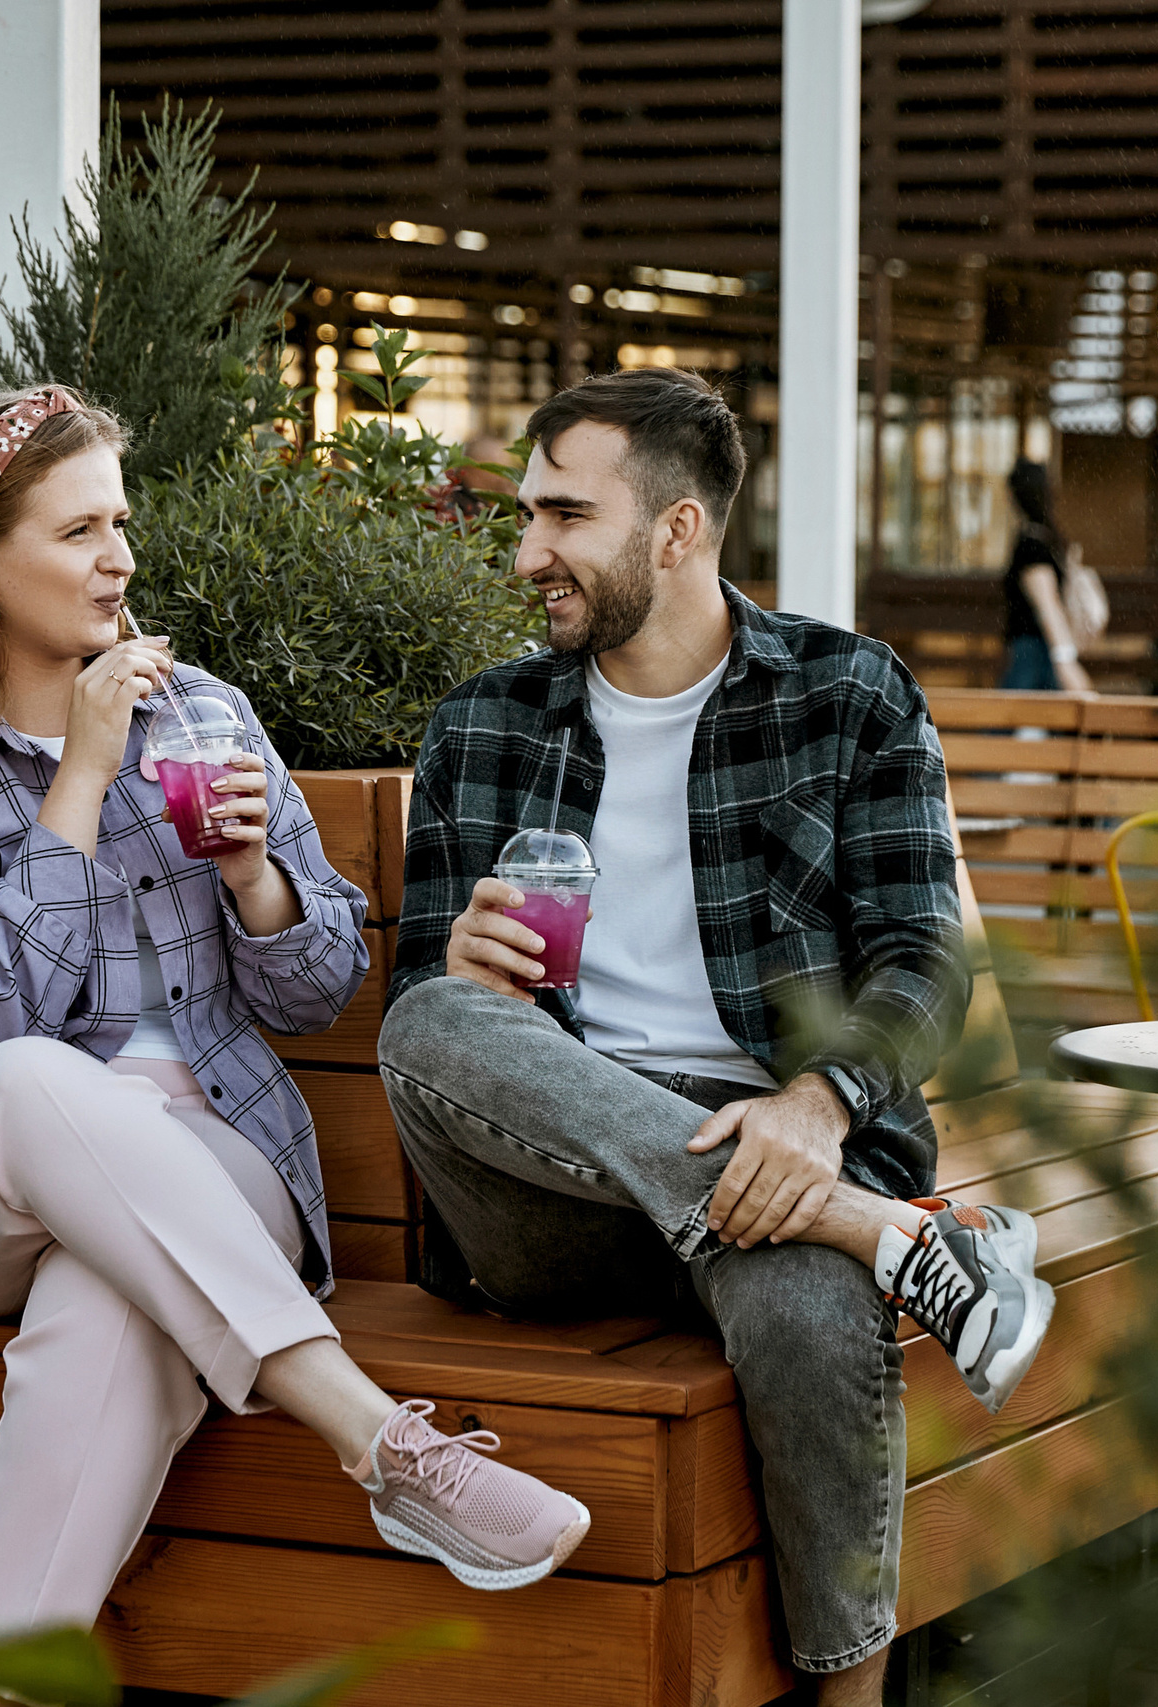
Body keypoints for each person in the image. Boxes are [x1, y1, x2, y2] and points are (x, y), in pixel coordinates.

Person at [0, 386, 592, 1666]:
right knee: (31, 1078)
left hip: (212, 1149)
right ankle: (379, 1438)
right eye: (76, 532)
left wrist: (254, 880)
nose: (118, 558)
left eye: (120, 521)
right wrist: (81, 775)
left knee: (113, 1306)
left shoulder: (207, 714)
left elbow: (319, 988)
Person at [376, 368, 1055, 1706]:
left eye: (566, 514)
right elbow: (432, 1016)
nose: (528, 553)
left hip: (773, 1144)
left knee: (805, 1304)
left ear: (678, 529)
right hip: (549, 1189)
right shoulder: (486, 722)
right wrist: (459, 960)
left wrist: (812, 1108)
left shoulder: (848, 695)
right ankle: (899, 1238)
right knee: (428, 1015)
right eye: (529, 515)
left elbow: (927, 965)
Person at [998, 459, 1095, 694]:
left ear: (1014, 495)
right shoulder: (1048, 542)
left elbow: (1048, 604)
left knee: (1008, 722)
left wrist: (1065, 660)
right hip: (1041, 653)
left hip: (1035, 653)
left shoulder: (1031, 546)